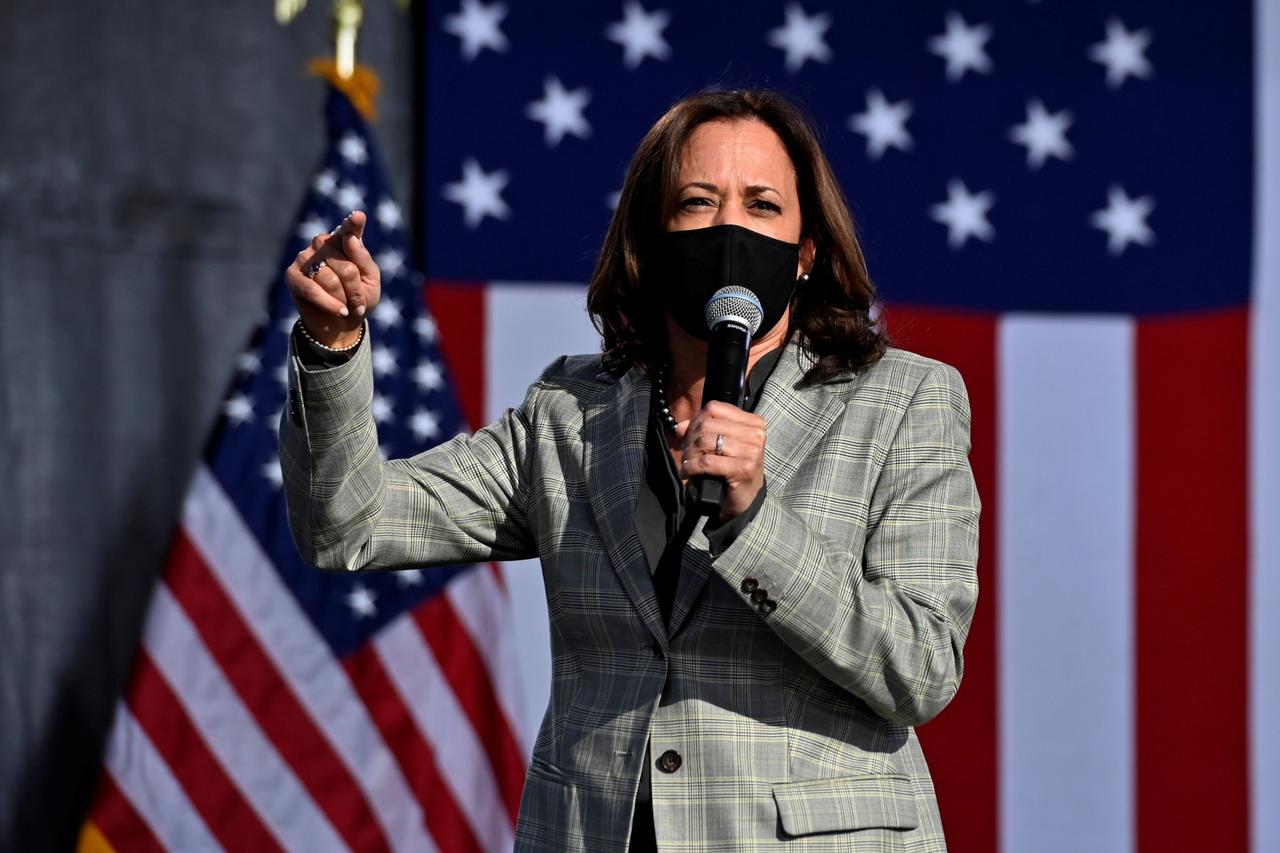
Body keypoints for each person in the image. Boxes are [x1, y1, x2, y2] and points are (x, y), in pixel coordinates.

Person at [280, 88, 979, 851]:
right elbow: (346, 524)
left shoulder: (904, 400)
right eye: (698, 202)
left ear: (806, 251)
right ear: (651, 238)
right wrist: (332, 347)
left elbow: (920, 667)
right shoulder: (568, 413)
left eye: (763, 205)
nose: (730, 229)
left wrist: (756, 519)